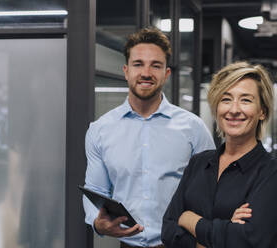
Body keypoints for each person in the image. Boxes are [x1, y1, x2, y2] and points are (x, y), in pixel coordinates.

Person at [83, 27, 215, 248]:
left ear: (167, 73)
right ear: (126, 71)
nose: (146, 72)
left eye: (156, 65)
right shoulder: (100, 130)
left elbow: (211, 190)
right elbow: (96, 190)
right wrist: (97, 223)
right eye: (138, 64)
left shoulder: (194, 128)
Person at [162, 61, 277, 248]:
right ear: (216, 108)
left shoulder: (273, 173)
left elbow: (249, 240)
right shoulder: (198, 163)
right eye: (226, 99)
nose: (234, 110)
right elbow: (168, 228)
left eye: (246, 100)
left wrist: (190, 219)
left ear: (262, 111)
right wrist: (226, 229)